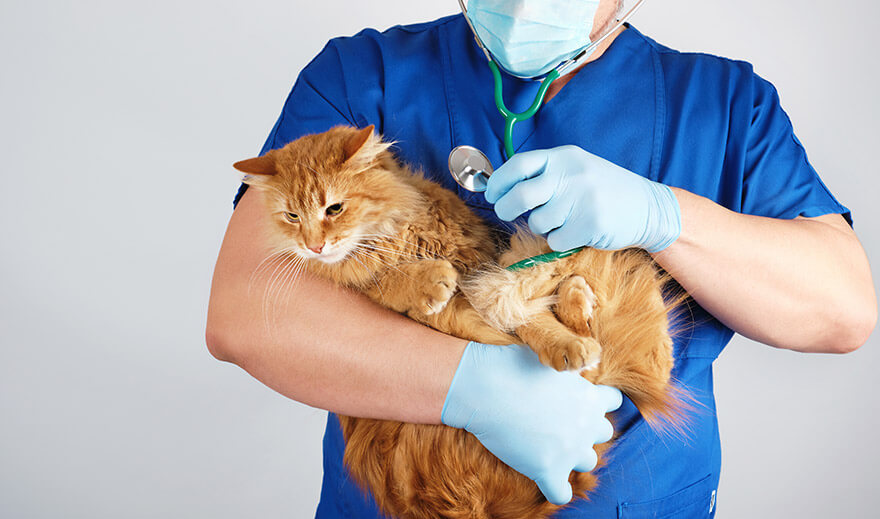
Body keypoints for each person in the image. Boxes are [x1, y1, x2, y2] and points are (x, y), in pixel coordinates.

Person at [206, 0, 877, 517]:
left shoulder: (725, 106)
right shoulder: (361, 78)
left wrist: (661, 215)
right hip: (408, 494)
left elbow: (841, 309)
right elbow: (247, 310)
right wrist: (468, 385)